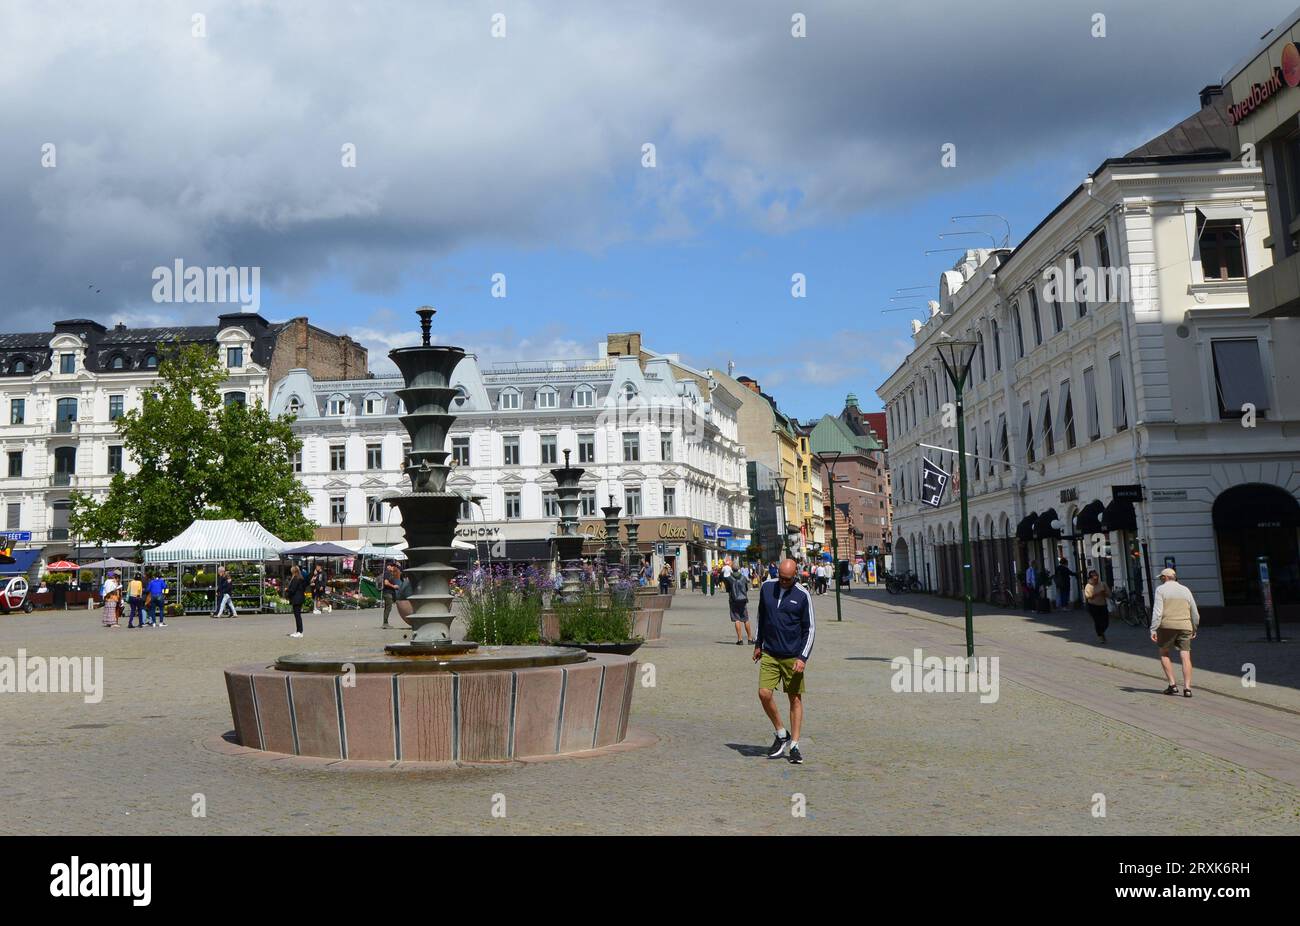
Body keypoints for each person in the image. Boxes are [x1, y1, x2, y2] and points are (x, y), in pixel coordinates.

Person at [754, 559, 815, 765]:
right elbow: (761, 617)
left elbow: (810, 629)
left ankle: (795, 745)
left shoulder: (802, 594)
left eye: (787, 579)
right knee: (764, 693)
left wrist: (802, 657)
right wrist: (758, 644)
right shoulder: (766, 587)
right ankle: (781, 732)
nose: (782, 581)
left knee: (794, 699)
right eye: (780, 577)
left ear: (795, 575)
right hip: (770, 652)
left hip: (792, 656)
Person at [1150, 567, 1200, 697]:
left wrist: (1153, 629)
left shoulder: (1160, 590)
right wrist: (1194, 627)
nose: (1161, 580)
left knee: (1164, 652)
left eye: (1161, 578)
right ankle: (1187, 688)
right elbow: (1195, 612)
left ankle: (1172, 685)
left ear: (1165, 578)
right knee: (1185, 656)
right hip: (1185, 626)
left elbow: (1157, 612)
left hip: (1167, 626)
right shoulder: (1185, 590)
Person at [724, 566, 753, 645]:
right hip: (743, 600)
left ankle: (740, 639)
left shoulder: (729, 578)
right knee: (746, 619)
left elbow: (727, 590)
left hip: (733, 600)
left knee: (737, 619)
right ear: (739, 569)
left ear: (732, 570)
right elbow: (746, 589)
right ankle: (750, 639)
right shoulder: (743, 578)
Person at [1083, 569, 1110, 643]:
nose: (1096, 577)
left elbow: (1108, 594)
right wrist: (1097, 593)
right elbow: (1088, 596)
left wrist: (1104, 593)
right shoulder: (1088, 586)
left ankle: (1101, 632)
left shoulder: (1102, 584)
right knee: (1097, 621)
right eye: (1094, 576)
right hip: (1093, 606)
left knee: (1106, 622)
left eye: (1097, 575)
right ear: (1090, 577)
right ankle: (1100, 635)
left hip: (1103, 605)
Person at [286, 564, 307, 638]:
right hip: (299, 598)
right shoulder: (300, 578)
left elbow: (293, 590)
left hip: (296, 599)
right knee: (297, 616)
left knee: (297, 616)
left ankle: (300, 631)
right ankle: (298, 630)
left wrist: (287, 590)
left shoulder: (295, 579)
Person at [381, 563, 401, 628]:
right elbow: (386, 583)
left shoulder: (390, 573)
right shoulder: (387, 573)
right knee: (388, 608)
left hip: (389, 593)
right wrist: (394, 586)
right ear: (388, 566)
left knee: (387, 608)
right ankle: (385, 623)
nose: (393, 568)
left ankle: (385, 623)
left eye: (394, 567)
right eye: (392, 567)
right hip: (387, 593)